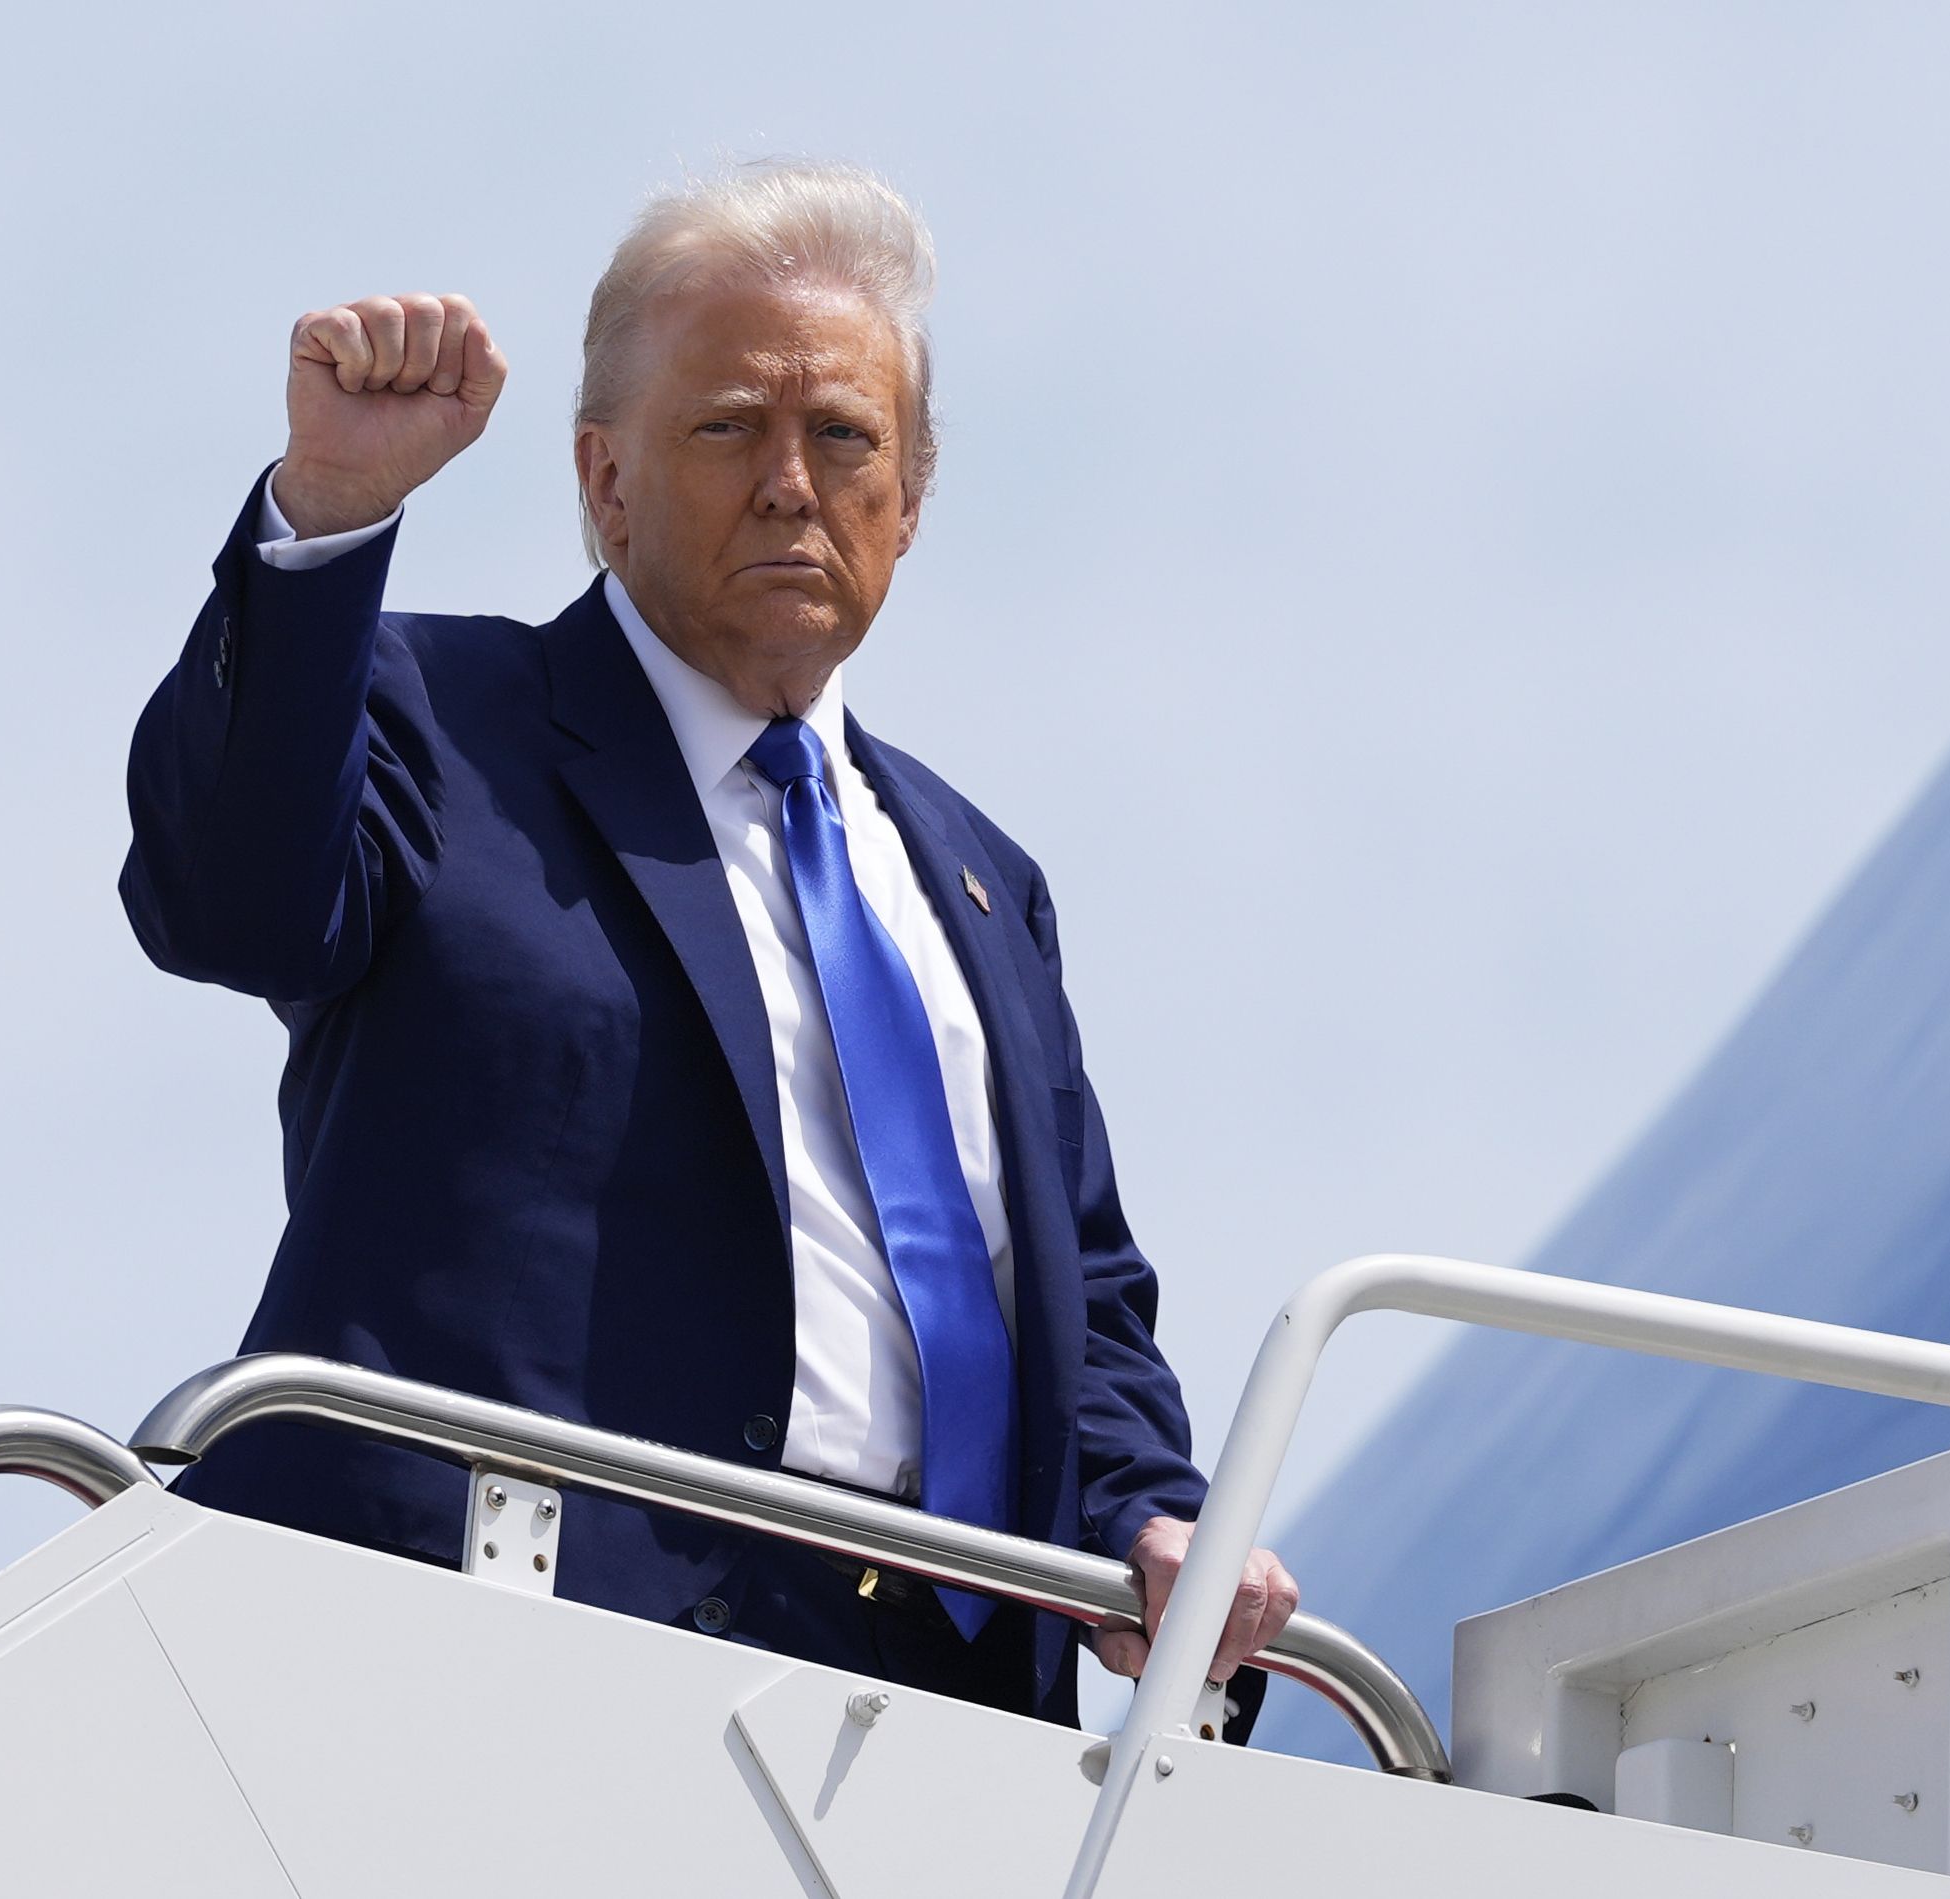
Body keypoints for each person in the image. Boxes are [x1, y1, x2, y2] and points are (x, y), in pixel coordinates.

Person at [119, 160, 1295, 1728]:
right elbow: (230, 900)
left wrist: (1142, 1514)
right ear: (603, 483)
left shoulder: (979, 883)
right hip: (492, 1653)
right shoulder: (433, 718)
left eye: (845, 438)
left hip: (923, 1715)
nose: (791, 484)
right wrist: (329, 517)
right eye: (729, 427)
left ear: (912, 497)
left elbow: (1071, 1290)